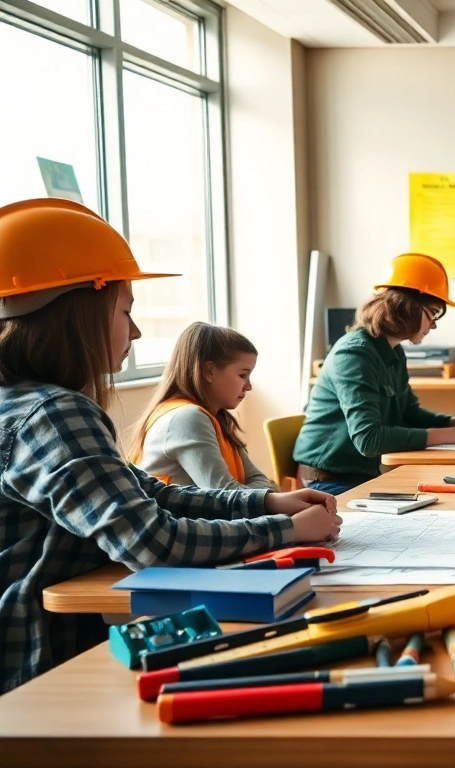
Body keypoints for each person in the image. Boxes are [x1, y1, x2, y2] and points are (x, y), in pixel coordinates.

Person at [0, 199, 339, 692]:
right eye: (125, 311)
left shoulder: (24, 403)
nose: (135, 331)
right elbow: (153, 543)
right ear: (78, 313)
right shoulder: (52, 414)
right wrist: (283, 530)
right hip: (42, 665)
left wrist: (265, 500)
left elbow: (150, 495)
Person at [294, 253, 455, 494]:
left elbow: (408, 413)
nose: (433, 325)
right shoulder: (354, 355)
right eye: (432, 312)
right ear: (407, 306)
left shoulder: (393, 351)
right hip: (326, 480)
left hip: (358, 474)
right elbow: (369, 440)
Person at [127, 322, 275, 490]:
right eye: (242, 375)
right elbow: (226, 494)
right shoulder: (187, 419)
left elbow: (256, 477)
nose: (248, 386)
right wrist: (270, 495)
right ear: (209, 372)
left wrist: (269, 493)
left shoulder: (217, 417)